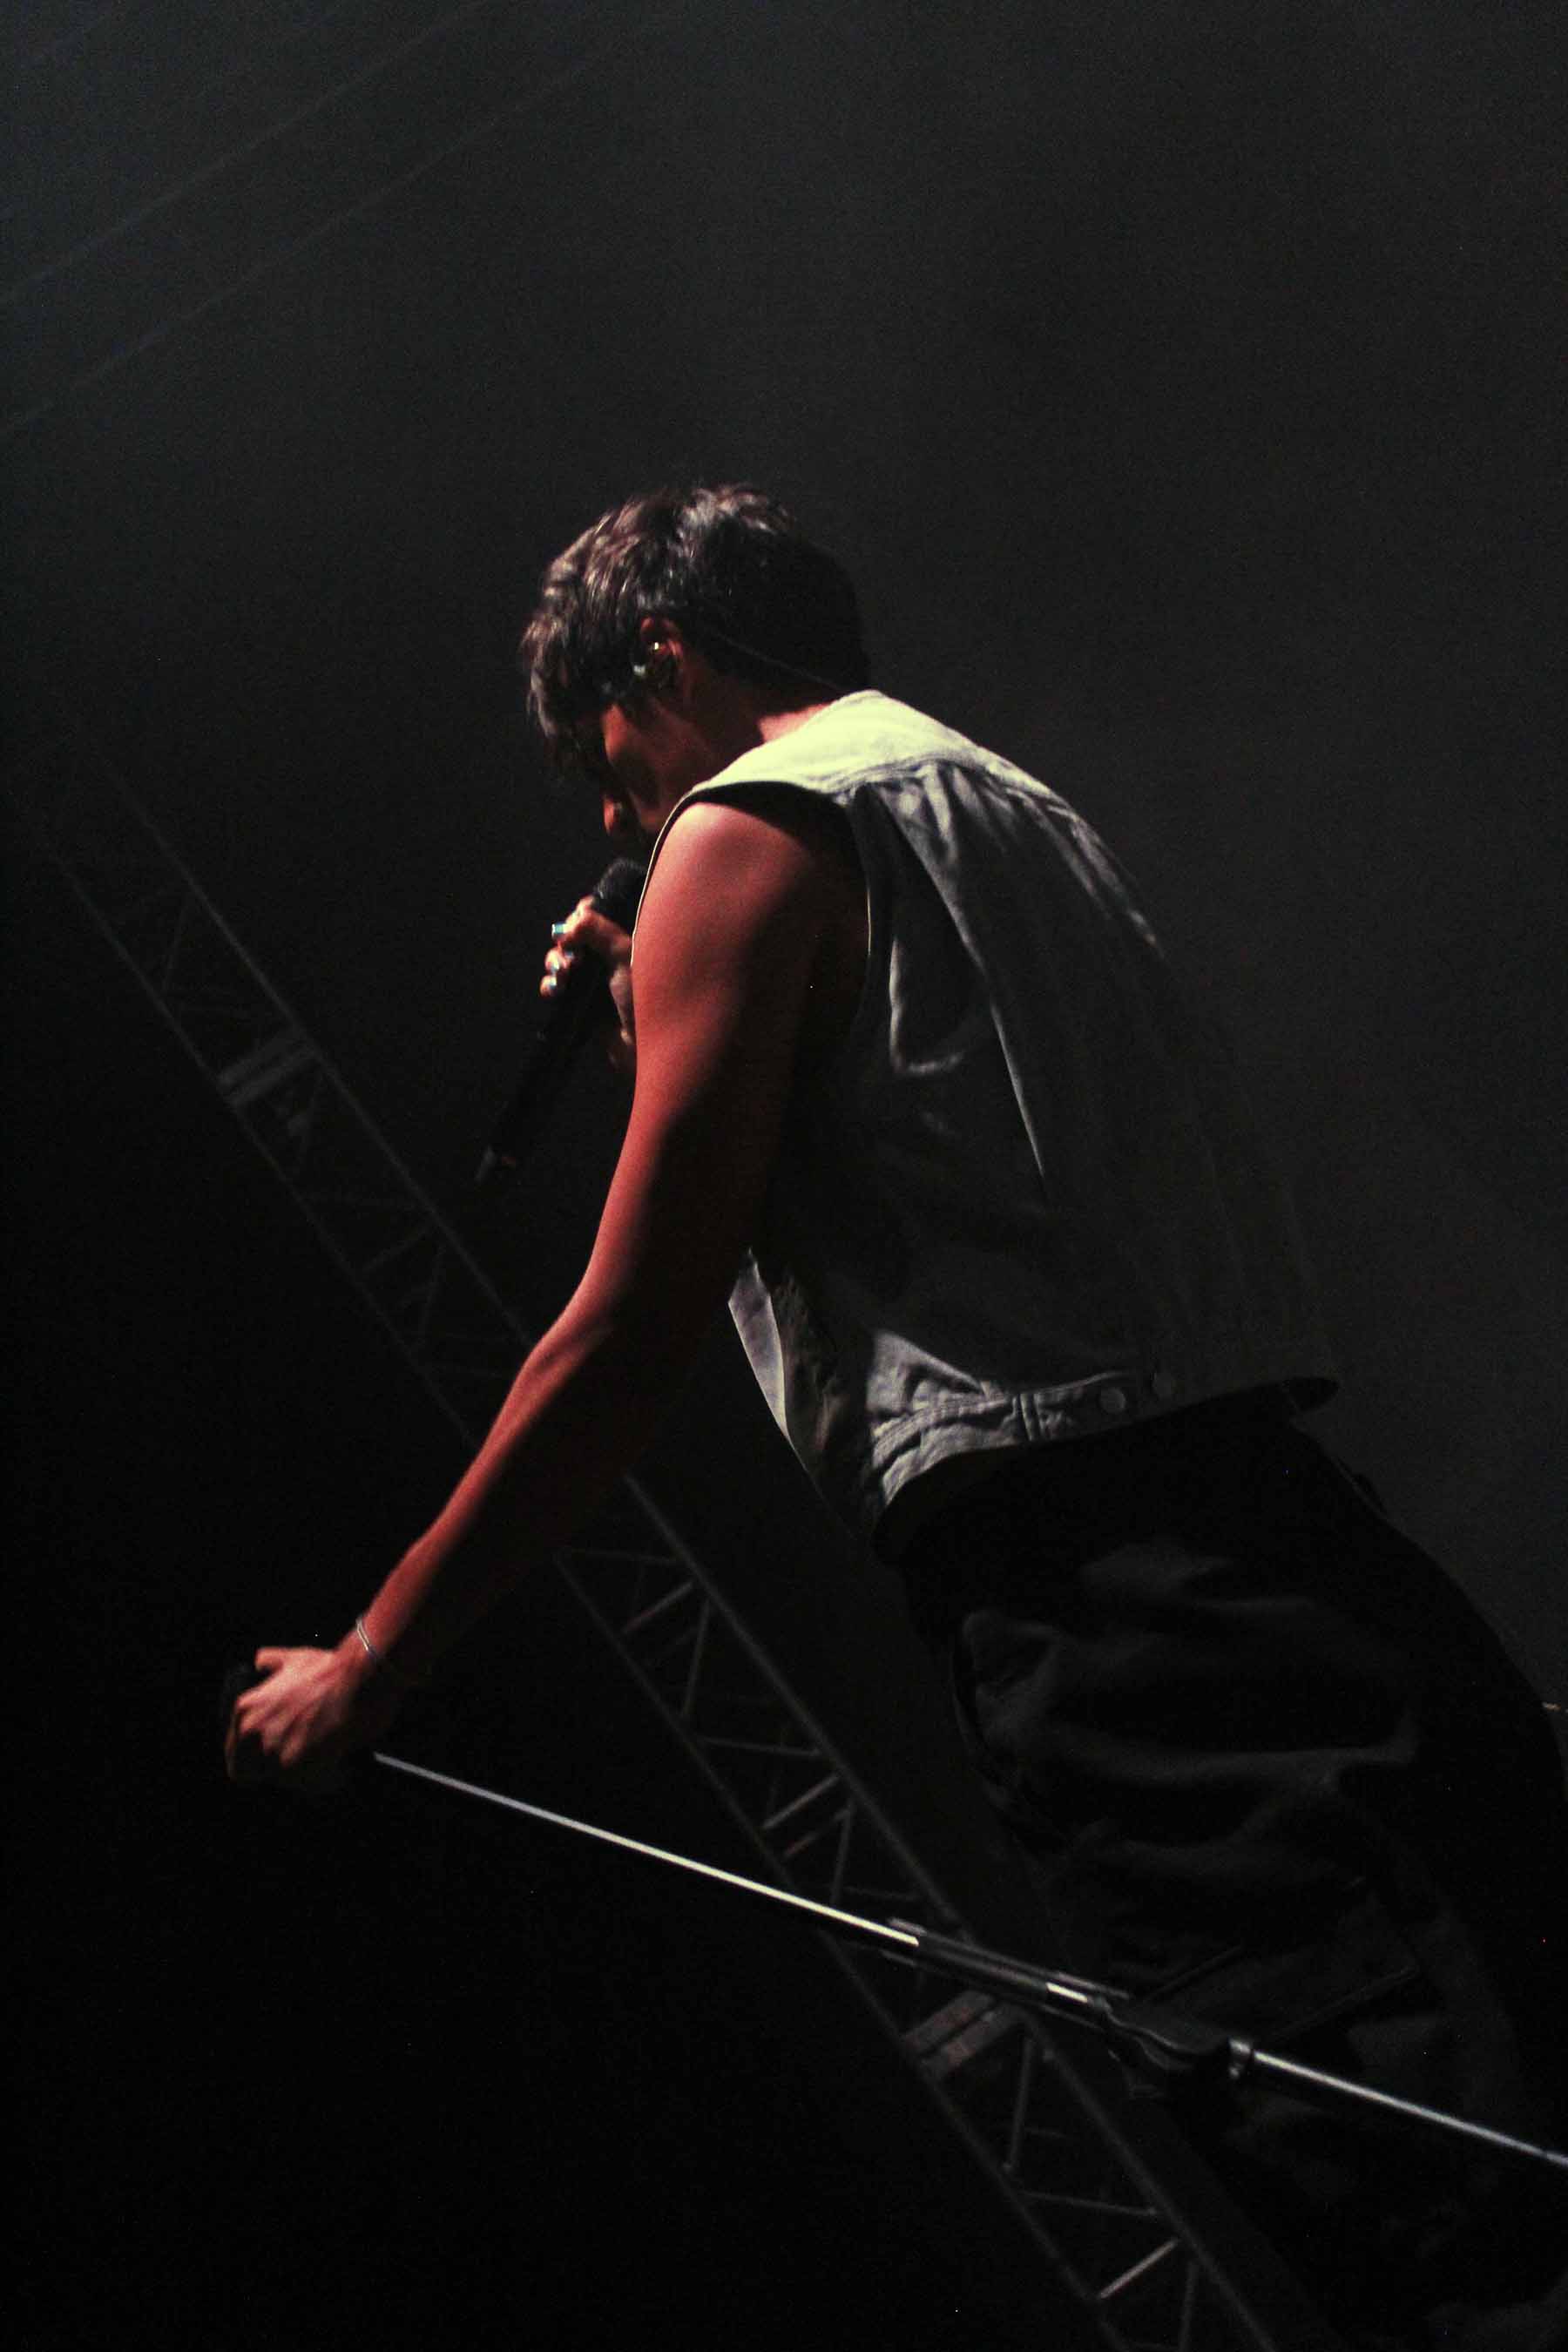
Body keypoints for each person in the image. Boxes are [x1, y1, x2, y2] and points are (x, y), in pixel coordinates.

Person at [227, 484, 1566, 2348]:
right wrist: (655, 1010)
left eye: (606, 765)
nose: (615, 824)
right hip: (1299, 1535)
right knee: (1514, 2046)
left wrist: (376, 1659)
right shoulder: (1002, 801)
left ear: (664, 659)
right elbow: (951, 1150)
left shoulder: (742, 833)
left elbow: (627, 1332)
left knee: (1420, 2195)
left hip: (1116, 1615)